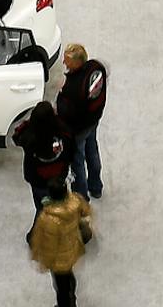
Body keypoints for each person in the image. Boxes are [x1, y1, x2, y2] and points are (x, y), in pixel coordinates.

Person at [27, 179, 94, 307]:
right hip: (72, 249)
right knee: (69, 278)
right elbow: (87, 212)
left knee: (61, 288)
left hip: (58, 261)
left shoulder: (47, 219)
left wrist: (42, 260)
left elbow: (47, 244)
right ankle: (72, 299)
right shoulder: (75, 201)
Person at [56, 45, 109, 201]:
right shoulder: (96, 68)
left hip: (77, 129)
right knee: (92, 150)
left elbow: (65, 112)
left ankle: (81, 197)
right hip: (93, 121)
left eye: (67, 61)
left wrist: (61, 91)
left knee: (77, 161)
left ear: (77, 63)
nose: (64, 64)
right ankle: (96, 187)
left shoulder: (72, 87)